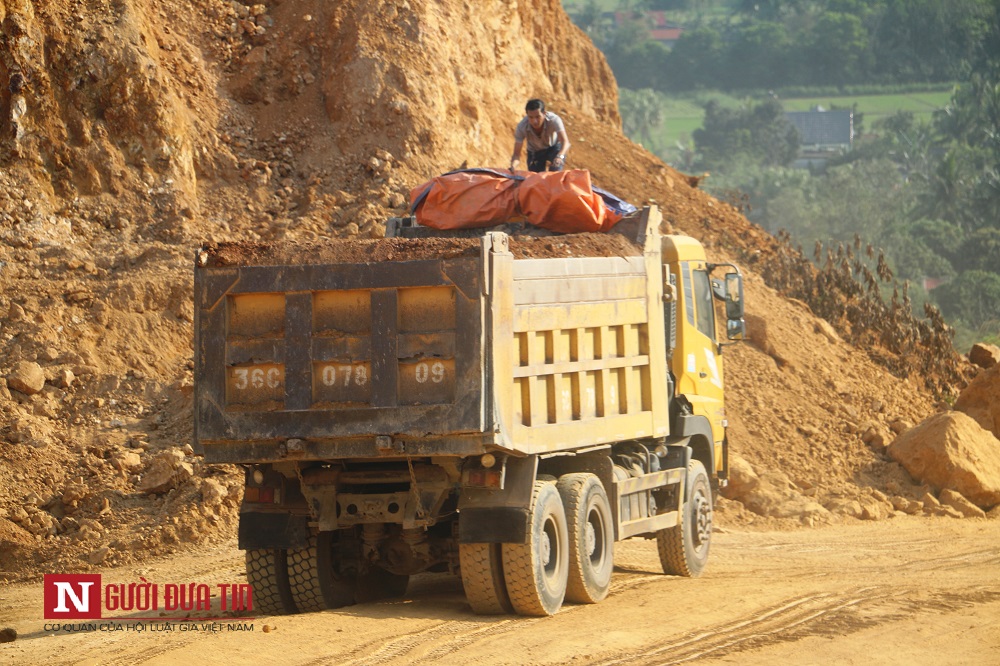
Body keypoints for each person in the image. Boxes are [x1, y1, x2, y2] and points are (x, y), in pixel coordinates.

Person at [509, 99, 571, 172]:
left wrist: (560, 156)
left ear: (544, 113)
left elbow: (565, 142)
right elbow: (516, 154)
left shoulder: (554, 120)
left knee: (555, 171)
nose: (534, 121)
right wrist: (513, 166)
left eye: (538, 117)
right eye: (531, 117)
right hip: (535, 151)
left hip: (554, 147)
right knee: (536, 178)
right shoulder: (522, 127)